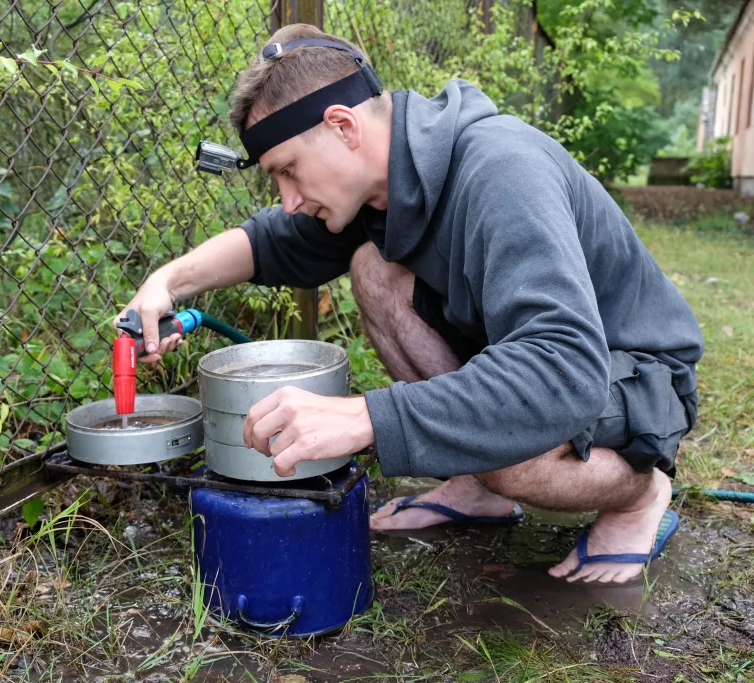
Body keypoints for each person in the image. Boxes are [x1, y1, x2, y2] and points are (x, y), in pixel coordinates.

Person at [120, 24, 704, 584]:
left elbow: (560, 371)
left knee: (510, 448)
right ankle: (479, 484)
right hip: (545, 362)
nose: (289, 200)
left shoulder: (502, 171)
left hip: (631, 371)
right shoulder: (382, 186)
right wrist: (170, 280)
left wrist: (366, 417)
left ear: (343, 125)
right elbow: (269, 240)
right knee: (375, 268)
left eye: (289, 172)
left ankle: (640, 493)